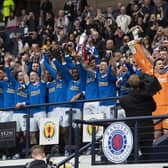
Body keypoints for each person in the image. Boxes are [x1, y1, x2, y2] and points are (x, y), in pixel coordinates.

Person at [119, 74, 156, 161]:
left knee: (131, 158)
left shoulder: (124, 99)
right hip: (147, 130)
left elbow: (124, 106)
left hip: (132, 130)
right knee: (147, 157)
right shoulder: (148, 97)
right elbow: (154, 108)